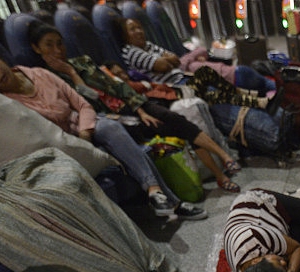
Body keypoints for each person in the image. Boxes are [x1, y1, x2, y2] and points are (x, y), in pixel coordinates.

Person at [0, 50, 206, 220]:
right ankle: (170, 202)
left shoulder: (39, 73)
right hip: (62, 146)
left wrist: (85, 135)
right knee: (118, 137)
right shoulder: (6, 104)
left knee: (110, 128)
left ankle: (156, 192)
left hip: (87, 128)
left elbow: (82, 104)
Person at [28, 23, 241, 192]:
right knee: (171, 126)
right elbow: (87, 102)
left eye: (60, 43)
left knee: (175, 119)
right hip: (108, 118)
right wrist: (72, 74)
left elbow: (116, 86)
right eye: (49, 45)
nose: (57, 50)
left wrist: (140, 109)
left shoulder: (83, 61)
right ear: (36, 48)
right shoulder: (47, 79)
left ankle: (224, 160)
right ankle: (220, 174)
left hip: (130, 104)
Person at [114, 17, 274, 95]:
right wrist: (169, 61)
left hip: (189, 77)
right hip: (180, 83)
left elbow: (174, 60)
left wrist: (168, 61)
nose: (139, 31)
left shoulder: (148, 45)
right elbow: (166, 64)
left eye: (139, 27)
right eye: (132, 29)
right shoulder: (131, 51)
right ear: (125, 36)